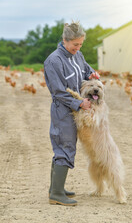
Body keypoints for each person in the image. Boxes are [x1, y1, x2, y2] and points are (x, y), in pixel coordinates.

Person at [44, 21, 100, 206]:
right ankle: (56, 195)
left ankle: (56, 188)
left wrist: (92, 74)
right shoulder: (53, 61)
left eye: (80, 44)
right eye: (75, 44)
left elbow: (85, 69)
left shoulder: (78, 55)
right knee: (64, 147)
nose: (78, 48)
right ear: (65, 40)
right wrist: (79, 103)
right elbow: (58, 92)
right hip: (63, 110)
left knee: (66, 145)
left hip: (75, 110)